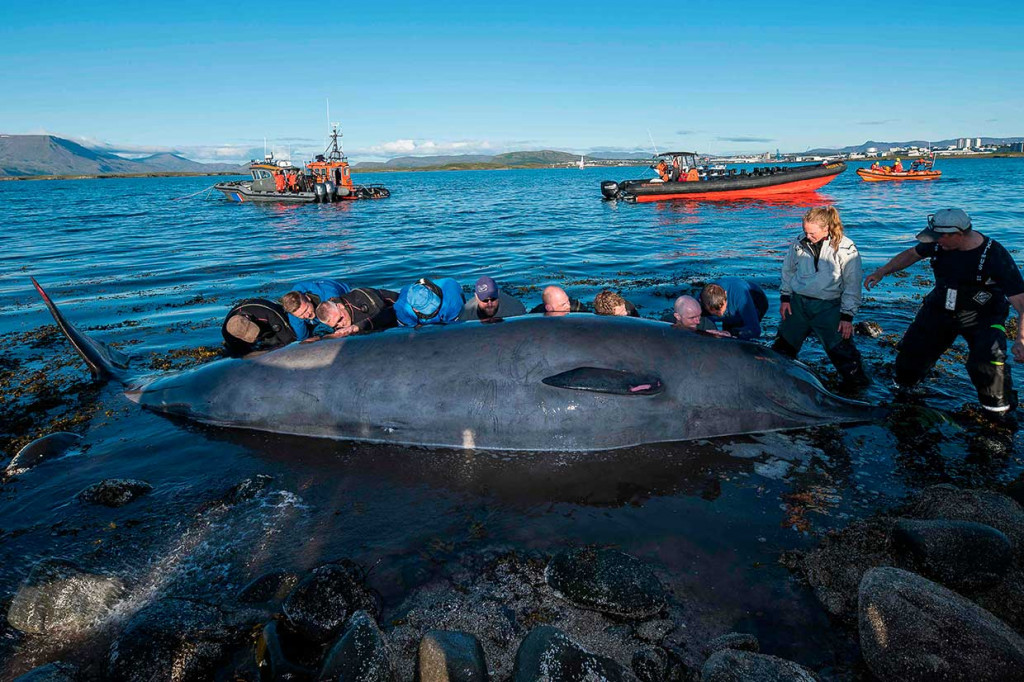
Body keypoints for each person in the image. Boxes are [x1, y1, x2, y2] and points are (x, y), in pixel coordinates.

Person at [864, 208, 1024, 417]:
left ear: (957, 234)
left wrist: (1021, 339)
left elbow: (1021, 303)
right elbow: (912, 254)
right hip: (940, 308)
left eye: (939, 238)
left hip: (982, 316)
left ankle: (998, 412)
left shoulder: (995, 256)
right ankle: (905, 393)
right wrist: (882, 271)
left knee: (986, 363)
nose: (936, 242)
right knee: (911, 356)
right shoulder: (938, 243)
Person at [773, 206, 869, 388]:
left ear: (826, 229)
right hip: (798, 305)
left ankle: (859, 391)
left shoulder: (846, 248)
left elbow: (852, 284)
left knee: (846, 359)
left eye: (812, 233)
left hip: (828, 308)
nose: (807, 236)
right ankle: (776, 384)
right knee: (780, 351)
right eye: (805, 232)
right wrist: (785, 297)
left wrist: (847, 316)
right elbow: (788, 270)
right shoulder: (798, 243)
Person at [281, 278, 351, 341]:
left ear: (308, 298)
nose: (307, 315)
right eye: (301, 315)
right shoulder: (294, 313)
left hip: (339, 290)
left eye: (306, 309)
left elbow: (345, 323)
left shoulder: (330, 296)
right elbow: (302, 338)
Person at [221, 298, 296, 357]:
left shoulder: (269, 313)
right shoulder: (227, 332)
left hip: (270, 327)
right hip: (239, 339)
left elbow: (290, 341)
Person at [313, 287, 400, 338]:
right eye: (336, 325)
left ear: (340, 306)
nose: (341, 324)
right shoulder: (336, 318)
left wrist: (357, 327)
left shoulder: (360, 296)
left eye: (340, 319)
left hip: (399, 308)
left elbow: (387, 314)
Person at [700, 278, 769, 340]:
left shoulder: (741, 297)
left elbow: (755, 330)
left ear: (725, 294)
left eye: (721, 307)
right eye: (714, 311)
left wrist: (732, 333)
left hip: (756, 301)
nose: (720, 313)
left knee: (738, 335)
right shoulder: (699, 303)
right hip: (729, 309)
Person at [395, 277, 465, 326]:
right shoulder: (402, 308)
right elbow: (408, 331)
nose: (436, 308)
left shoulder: (452, 297)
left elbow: (454, 326)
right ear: (415, 309)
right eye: (431, 309)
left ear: (430, 288)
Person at [459, 275, 526, 322]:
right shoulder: (466, 314)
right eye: (485, 300)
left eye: (493, 299)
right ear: (476, 297)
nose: (490, 304)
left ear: (498, 294)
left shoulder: (516, 309)